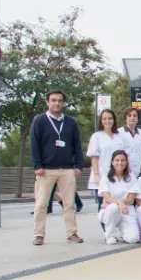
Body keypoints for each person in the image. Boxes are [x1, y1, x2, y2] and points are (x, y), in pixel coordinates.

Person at [29, 89, 85, 245]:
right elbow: (34, 144)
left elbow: (77, 145)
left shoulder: (70, 122)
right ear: (47, 102)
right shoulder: (39, 121)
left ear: (63, 103)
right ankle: (38, 235)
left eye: (60, 100)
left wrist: (79, 164)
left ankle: (72, 233)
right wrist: (37, 165)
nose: (57, 103)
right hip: (46, 169)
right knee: (41, 204)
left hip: (67, 169)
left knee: (69, 204)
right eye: (53, 100)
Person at [97, 150, 140, 245]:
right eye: (117, 160)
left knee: (133, 239)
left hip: (126, 211)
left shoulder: (132, 177)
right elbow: (107, 198)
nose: (120, 163)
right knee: (113, 207)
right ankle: (110, 235)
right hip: (111, 211)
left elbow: (131, 199)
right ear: (112, 162)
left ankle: (122, 232)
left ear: (126, 162)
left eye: (123, 160)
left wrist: (116, 202)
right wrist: (120, 203)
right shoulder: (105, 177)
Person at [119, 107, 141, 177]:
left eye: (135, 116)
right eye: (129, 116)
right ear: (125, 118)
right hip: (124, 170)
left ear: (138, 118)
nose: (132, 118)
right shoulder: (119, 133)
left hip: (139, 170)